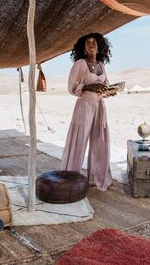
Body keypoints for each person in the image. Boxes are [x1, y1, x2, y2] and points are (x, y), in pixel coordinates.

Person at [61, 32, 115, 191]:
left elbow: (105, 87)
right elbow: (72, 87)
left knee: (100, 141)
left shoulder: (102, 66)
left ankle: (97, 177)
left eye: (94, 43)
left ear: (99, 47)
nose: (91, 45)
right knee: (79, 141)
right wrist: (90, 87)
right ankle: (70, 177)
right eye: (88, 43)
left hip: (99, 106)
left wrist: (110, 91)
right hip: (84, 106)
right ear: (84, 48)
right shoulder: (80, 64)